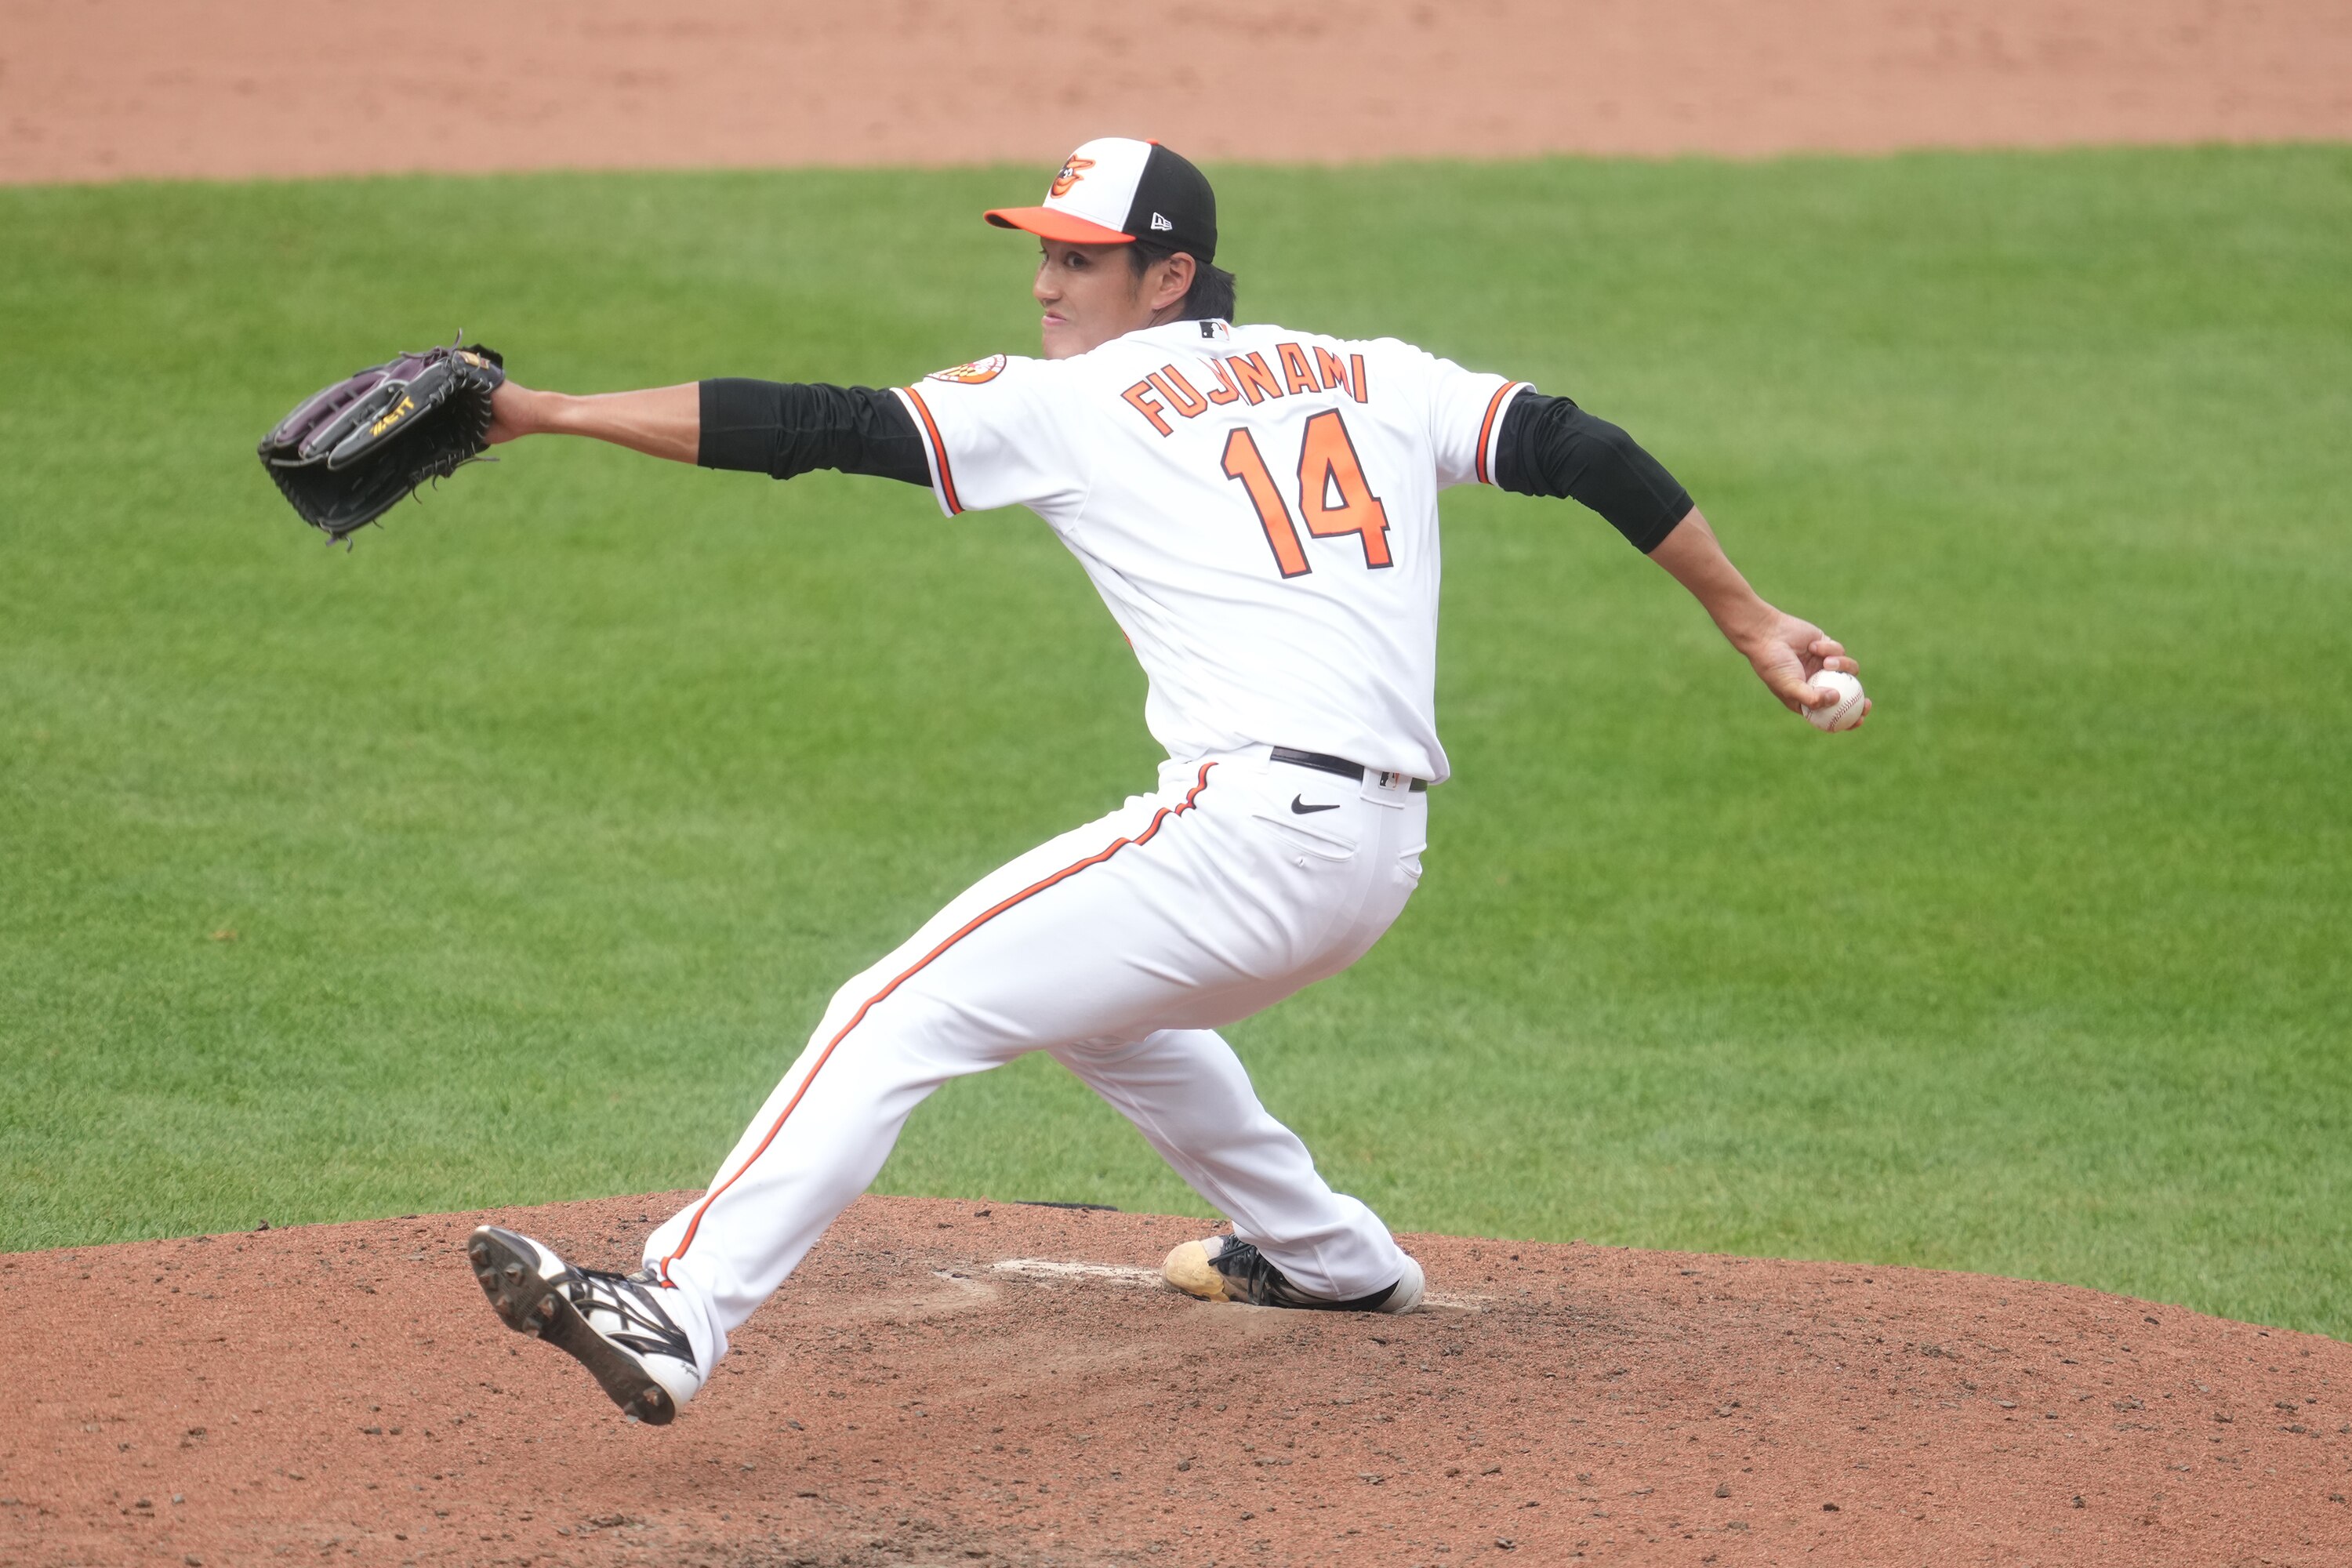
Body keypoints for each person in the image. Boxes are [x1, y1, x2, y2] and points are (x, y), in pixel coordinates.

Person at [464, 137, 1868, 1425]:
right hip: (1374, 861)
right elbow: (1576, 447)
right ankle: (1333, 1258)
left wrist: (543, 410)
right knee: (1107, 1015)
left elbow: (816, 424)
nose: (1044, 281)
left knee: (896, 1007)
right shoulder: (1370, 368)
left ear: (1169, 273)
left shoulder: (1076, 403)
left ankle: (676, 1308)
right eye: (1043, 251)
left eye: (1079, 257)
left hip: (1250, 835)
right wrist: (1749, 619)